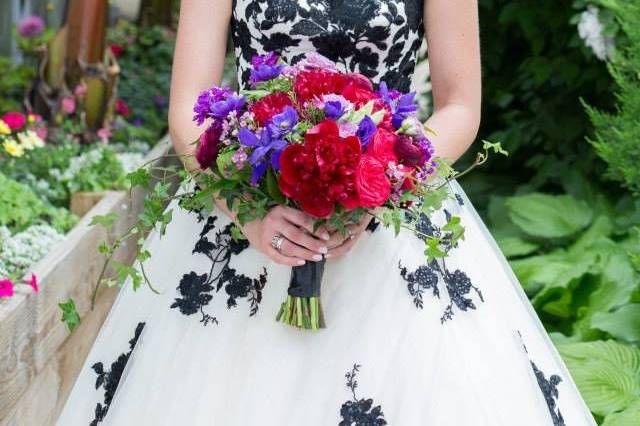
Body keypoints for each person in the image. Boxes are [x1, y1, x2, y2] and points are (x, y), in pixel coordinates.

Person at [59, 1, 596, 424]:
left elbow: (460, 107)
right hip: (245, 212)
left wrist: (381, 186)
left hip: (386, 220)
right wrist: (244, 208)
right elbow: (188, 106)